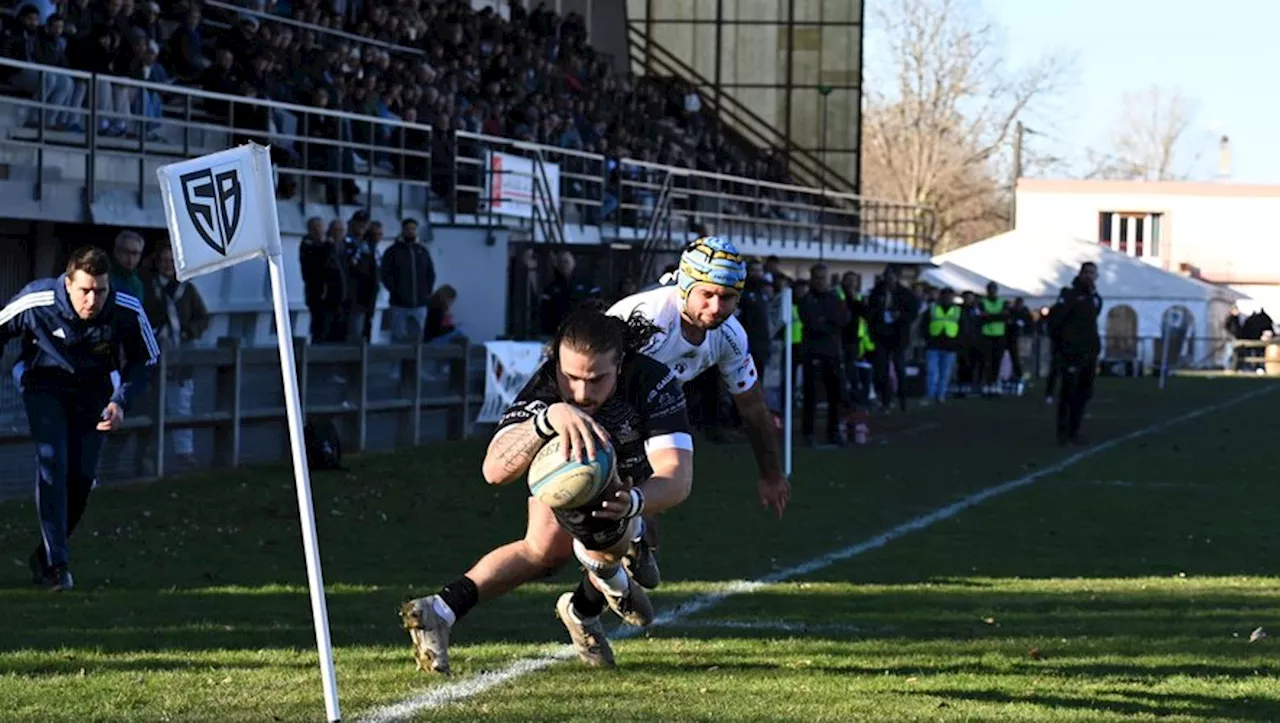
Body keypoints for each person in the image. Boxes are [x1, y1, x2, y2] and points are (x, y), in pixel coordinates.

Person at [398, 237, 789, 674]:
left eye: (728, 297)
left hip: (633, 420)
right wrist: (554, 417)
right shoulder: (635, 324)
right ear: (683, 285)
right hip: (583, 416)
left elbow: (750, 408)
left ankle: (453, 609)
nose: (717, 306)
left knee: (557, 546)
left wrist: (770, 473)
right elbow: (577, 377)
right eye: (708, 294)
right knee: (565, 542)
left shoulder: (727, 338)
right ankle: (599, 587)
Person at [429, 309, 695, 670]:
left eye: (597, 379)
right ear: (556, 364)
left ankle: (598, 587)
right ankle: (442, 610)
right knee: (548, 549)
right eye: (571, 377)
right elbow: (493, 471)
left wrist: (635, 502)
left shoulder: (652, 381)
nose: (581, 393)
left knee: (583, 543)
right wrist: (546, 419)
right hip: (568, 478)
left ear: (620, 366)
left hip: (632, 479)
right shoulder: (547, 387)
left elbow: (676, 477)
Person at [1, 246, 161, 590]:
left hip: (94, 393)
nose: (93, 300)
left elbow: (145, 360)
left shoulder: (126, 308)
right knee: (53, 463)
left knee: (81, 478)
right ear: (68, 284)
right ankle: (57, 565)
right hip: (45, 387)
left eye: (100, 291)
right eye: (85, 291)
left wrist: (121, 401)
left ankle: (45, 556)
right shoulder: (36, 300)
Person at [1049, 262, 1102, 445]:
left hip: (1089, 353)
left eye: (1092, 273)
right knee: (1068, 392)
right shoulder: (1070, 295)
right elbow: (1055, 321)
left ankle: (1075, 430)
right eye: (1086, 272)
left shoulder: (1095, 298)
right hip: (1071, 352)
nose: (1089, 276)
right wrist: (1062, 346)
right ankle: (1063, 434)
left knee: (1084, 393)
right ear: (1080, 274)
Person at [921, 287, 961, 404]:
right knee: (932, 371)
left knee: (945, 373)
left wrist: (958, 342)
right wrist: (927, 339)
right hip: (933, 345)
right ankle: (930, 395)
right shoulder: (932, 309)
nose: (948, 298)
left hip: (950, 346)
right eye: (946, 296)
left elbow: (963, 328)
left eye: (950, 296)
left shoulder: (958, 311)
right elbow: (924, 325)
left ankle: (940, 395)